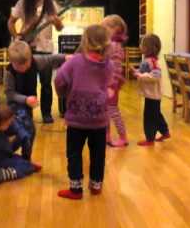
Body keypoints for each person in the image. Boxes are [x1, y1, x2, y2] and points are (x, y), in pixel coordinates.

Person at [54, 24, 113, 200]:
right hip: (100, 119)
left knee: (74, 153)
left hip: (76, 120)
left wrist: (63, 94)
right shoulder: (108, 64)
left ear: (85, 41)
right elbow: (109, 83)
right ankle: (96, 185)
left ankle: (76, 189)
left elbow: (59, 81)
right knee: (98, 154)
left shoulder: (74, 62)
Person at [8, 0, 64, 124]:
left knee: (46, 83)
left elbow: (60, 28)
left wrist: (56, 21)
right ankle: (27, 113)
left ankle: (46, 113)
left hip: (45, 47)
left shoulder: (51, 4)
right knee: (27, 83)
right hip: (28, 48)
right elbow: (10, 22)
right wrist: (16, 37)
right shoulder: (22, 3)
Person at [5, 40, 66, 160]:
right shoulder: (9, 72)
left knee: (28, 132)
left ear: (30, 58)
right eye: (18, 66)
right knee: (24, 131)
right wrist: (25, 99)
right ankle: (9, 152)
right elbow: (9, 93)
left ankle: (23, 157)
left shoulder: (35, 61)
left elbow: (51, 59)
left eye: (25, 64)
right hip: (14, 106)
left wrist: (67, 57)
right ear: (12, 62)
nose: (23, 68)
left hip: (27, 105)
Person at [131, 34, 170, 146]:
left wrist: (140, 76)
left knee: (149, 117)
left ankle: (150, 139)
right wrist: (138, 73)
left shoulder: (151, 61)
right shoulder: (148, 60)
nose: (140, 46)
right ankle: (165, 132)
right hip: (151, 94)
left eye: (142, 44)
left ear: (148, 48)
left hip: (153, 94)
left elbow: (155, 75)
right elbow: (144, 72)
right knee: (156, 114)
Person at [102, 14, 129, 148]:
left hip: (111, 84)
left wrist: (112, 85)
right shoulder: (113, 44)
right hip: (108, 83)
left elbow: (116, 68)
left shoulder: (114, 45)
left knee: (113, 110)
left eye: (105, 28)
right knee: (106, 110)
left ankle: (123, 137)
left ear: (115, 29)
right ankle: (107, 135)